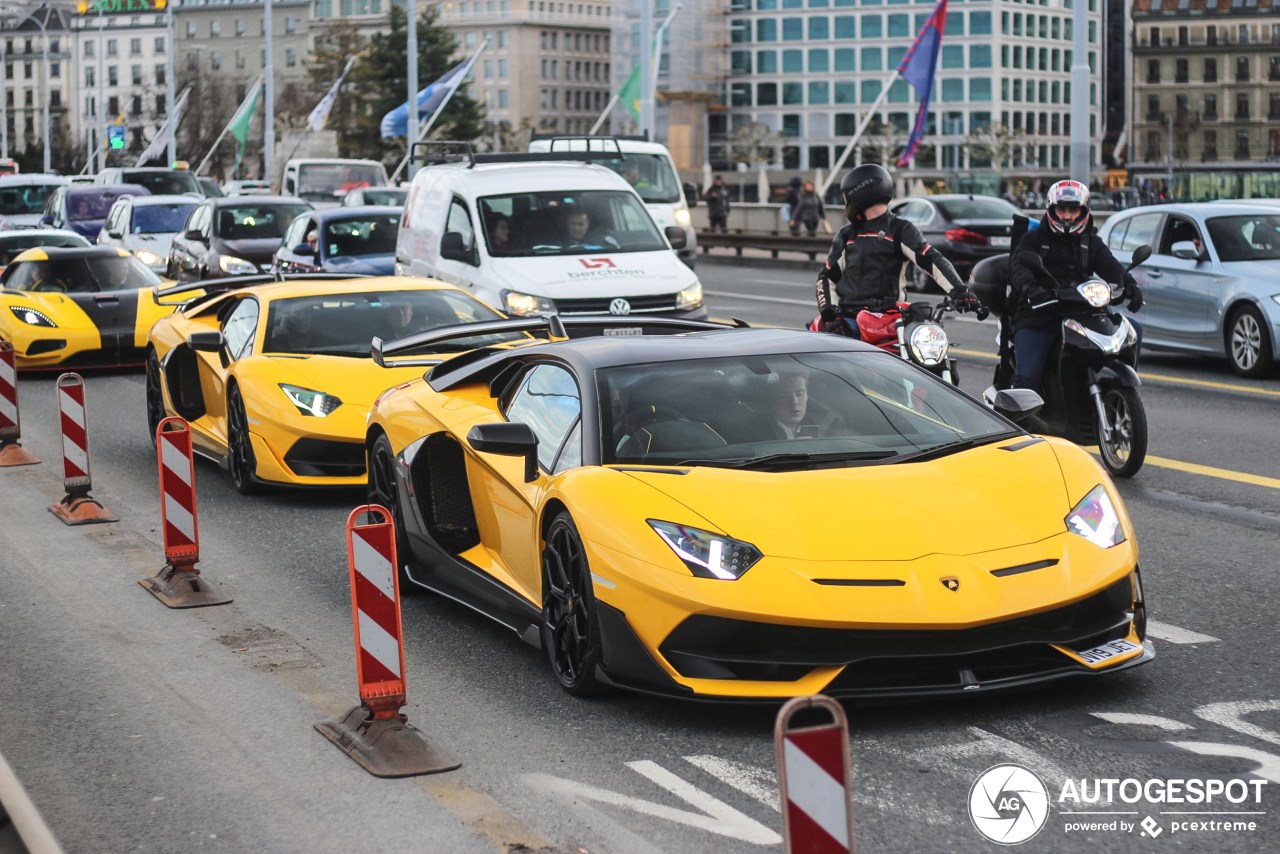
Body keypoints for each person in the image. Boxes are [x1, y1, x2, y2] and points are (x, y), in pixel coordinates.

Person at [1007, 180, 1142, 391]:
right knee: (1028, 377)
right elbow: (1018, 268)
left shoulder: (1091, 242)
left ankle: (1120, 387)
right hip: (1039, 313)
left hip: (1081, 310)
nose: (1067, 216)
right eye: (1061, 209)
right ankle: (1008, 420)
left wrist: (1130, 285)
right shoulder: (1033, 239)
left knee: (1134, 330)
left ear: (1084, 211)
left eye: (1073, 210)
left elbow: (1112, 267)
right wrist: (1031, 290)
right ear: (1051, 209)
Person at [815, 164, 980, 337]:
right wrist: (829, 315)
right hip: (850, 319)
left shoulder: (900, 229)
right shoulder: (846, 234)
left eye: (846, 196)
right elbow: (826, 276)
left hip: (889, 321)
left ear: (858, 193)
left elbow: (932, 260)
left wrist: (960, 292)